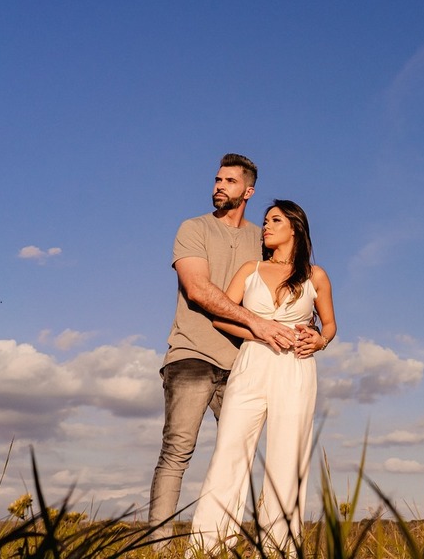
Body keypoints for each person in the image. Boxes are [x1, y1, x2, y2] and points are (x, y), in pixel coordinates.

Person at [149, 154, 298, 541]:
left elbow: (279, 290)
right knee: (177, 453)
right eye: (217, 180)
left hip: (244, 363)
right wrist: (257, 322)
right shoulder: (193, 228)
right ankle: (156, 546)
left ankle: (222, 541)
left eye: (230, 181)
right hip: (192, 354)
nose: (219, 186)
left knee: (239, 454)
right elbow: (197, 290)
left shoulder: (260, 238)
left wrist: (310, 328)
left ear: (248, 191)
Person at [189, 199, 336, 557]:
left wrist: (320, 340)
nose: (265, 226)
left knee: (288, 458)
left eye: (274, 220)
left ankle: (278, 549)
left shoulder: (316, 275)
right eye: (266, 220)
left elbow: (330, 325)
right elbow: (222, 318)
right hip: (252, 363)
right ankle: (207, 548)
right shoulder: (249, 268)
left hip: (296, 368)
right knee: (230, 451)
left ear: (295, 228)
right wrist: (259, 333)